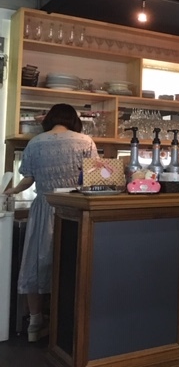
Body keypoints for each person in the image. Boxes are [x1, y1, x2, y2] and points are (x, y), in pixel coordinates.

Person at [4, 103, 98, 342]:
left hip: (43, 208)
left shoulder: (35, 143)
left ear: (50, 120)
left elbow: (28, 179)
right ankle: (67, 322)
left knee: (36, 264)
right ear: (74, 120)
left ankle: (35, 322)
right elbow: (94, 178)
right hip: (74, 209)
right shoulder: (85, 141)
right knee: (71, 264)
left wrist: (11, 191)